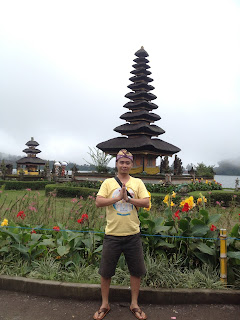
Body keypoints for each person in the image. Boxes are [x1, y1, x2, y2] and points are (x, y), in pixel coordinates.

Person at [93, 149, 150, 320]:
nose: (124, 165)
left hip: (132, 233)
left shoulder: (138, 183)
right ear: (117, 164)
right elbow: (98, 201)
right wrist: (118, 198)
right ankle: (104, 304)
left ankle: (134, 303)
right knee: (106, 271)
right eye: (121, 162)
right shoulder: (108, 183)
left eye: (127, 162)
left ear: (132, 165)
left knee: (136, 271)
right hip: (112, 234)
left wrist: (129, 199)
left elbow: (146, 202)